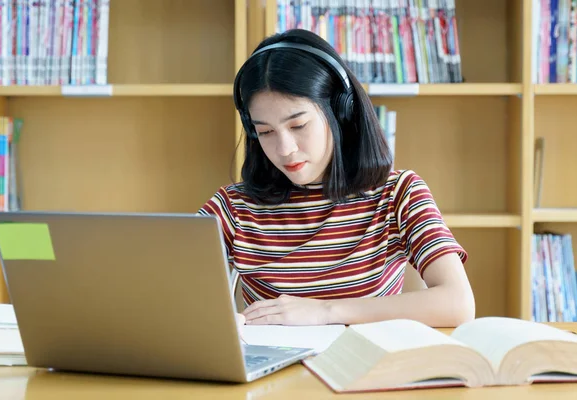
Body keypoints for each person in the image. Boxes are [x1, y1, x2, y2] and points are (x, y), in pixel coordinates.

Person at [198, 29, 475, 328]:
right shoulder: (233, 208)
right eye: (265, 132)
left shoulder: (399, 193)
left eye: (299, 125)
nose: (284, 149)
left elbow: (458, 302)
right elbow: (165, 287)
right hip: (275, 373)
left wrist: (325, 312)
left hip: (366, 368)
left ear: (340, 112)